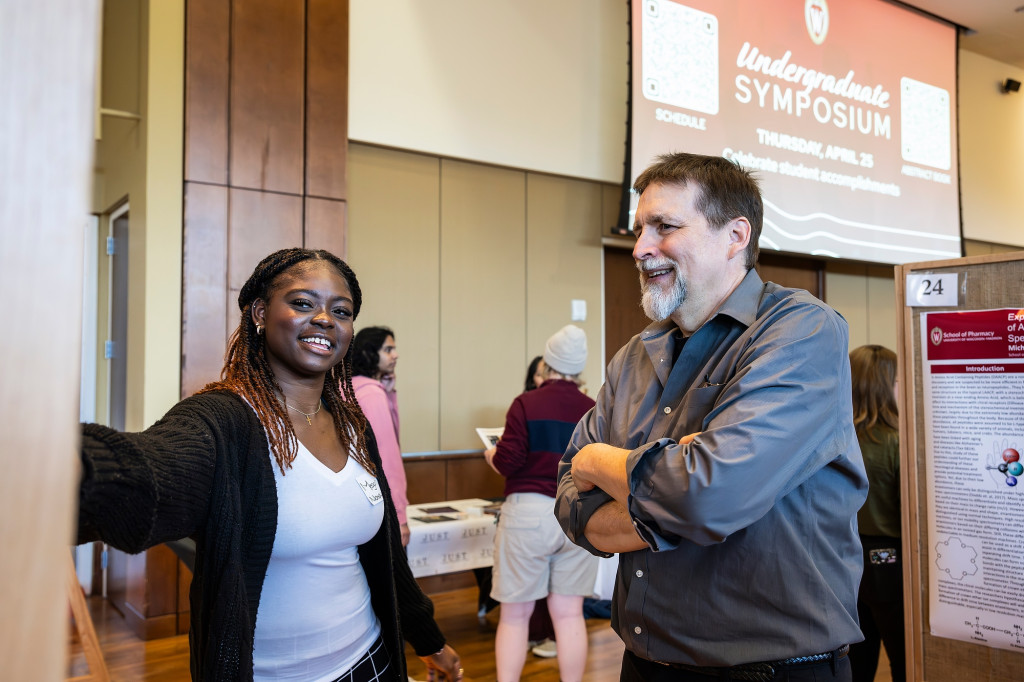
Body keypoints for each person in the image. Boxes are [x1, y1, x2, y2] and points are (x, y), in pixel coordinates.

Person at [76, 248, 463, 682]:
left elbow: (388, 558)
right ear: (260, 312)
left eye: (341, 310)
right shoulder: (224, 421)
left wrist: (429, 640)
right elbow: (146, 471)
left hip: (372, 661)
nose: (324, 319)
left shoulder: (354, 425)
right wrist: (67, 466)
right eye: (302, 303)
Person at [554, 152, 868, 682]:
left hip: (772, 671)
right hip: (645, 663)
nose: (640, 248)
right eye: (639, 230)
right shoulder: (633, 357)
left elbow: (707, 495)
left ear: (736, 235)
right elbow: (571, 506)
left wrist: (598, 459)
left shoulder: (802, 331)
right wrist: (673, 495)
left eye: (665, 227)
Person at [484, 325, 598, 682]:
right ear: (579, 368)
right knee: (569, 614)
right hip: (577, 514)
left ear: (547, 363)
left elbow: (508, 461)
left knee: (515, 615)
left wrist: (491, 454)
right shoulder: (592, 409)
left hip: (527, 514)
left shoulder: (525, 403)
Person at [847, 345, 905, 682]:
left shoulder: (836, 440)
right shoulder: (898, 443)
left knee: (857, 660)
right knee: (904, 657)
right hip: (890, 561)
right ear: (886, 386)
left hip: (845, 559)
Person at [351, 326, 410, 547]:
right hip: (379, 503)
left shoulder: (348, 386)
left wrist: (389, 393)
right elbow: (388, 457)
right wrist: (401, 517)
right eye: (388, 349)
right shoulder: (372, 394)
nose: (395, 355)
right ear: (368, 353)